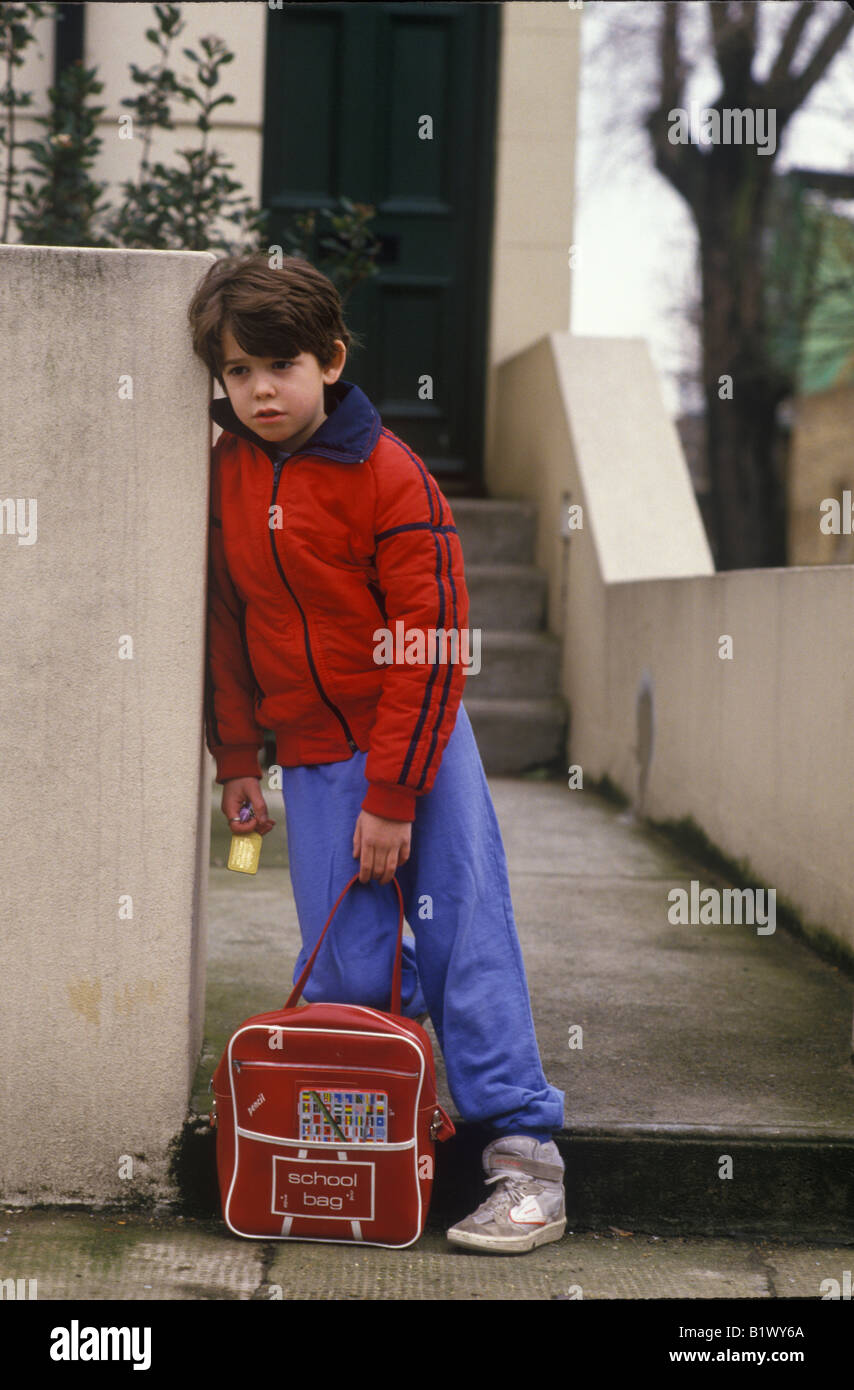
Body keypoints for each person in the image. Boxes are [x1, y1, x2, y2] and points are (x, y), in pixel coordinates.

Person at [188, 251, 565, 1253]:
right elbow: (225, 623)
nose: (259, 390)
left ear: (330, 360)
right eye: (236, 372)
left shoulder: (389, 474)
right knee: (345, 968)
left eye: (280, 366)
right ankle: (365, 1158)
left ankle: (524, 1162)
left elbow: (432, 642)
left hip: (417, 751)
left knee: (462, 942)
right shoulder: (223, 474)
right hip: (310, 760)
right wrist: (236, 758)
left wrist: (395, 795)